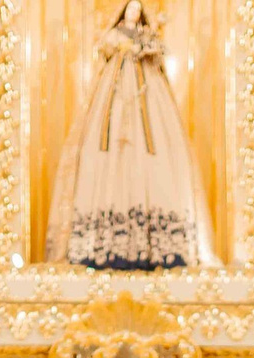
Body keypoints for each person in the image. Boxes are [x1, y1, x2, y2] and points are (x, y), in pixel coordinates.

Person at [45, 0, 207, 270]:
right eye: (129, 8)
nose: (132, 13)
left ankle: (156, 242)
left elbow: (157, 50)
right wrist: (125, 49)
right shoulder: (115, 37)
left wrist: (144, 48)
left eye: (136, 9)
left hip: (147, 99)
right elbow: (104, 46)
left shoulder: (147, 38)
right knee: (109, 152)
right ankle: (105, 241)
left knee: (153, 152)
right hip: (116, 98)